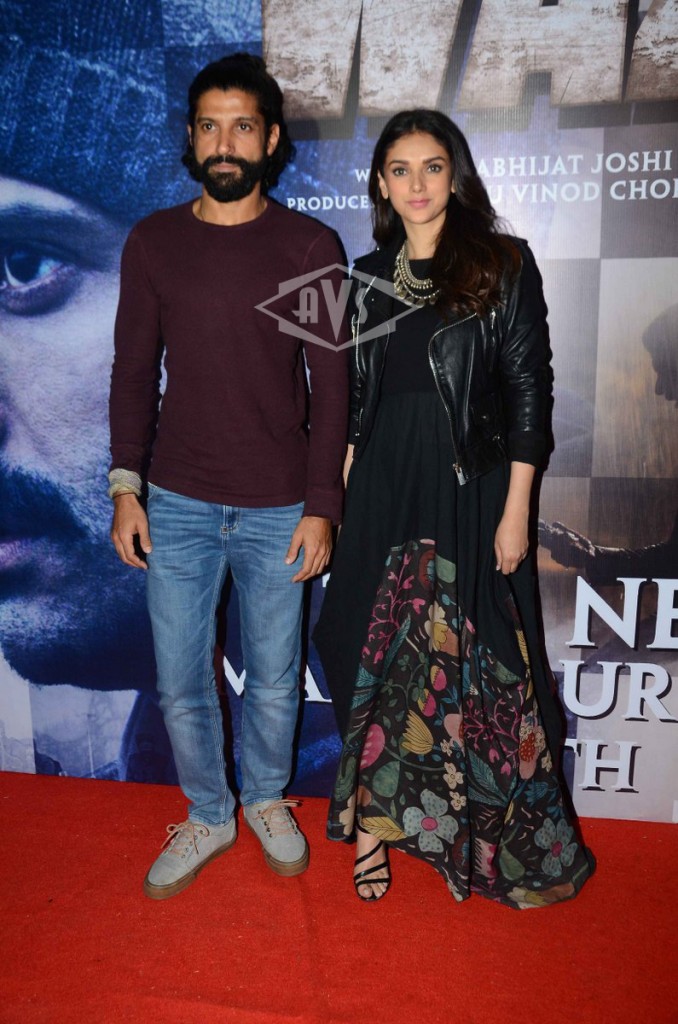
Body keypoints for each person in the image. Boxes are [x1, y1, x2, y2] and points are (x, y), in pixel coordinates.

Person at [313, 109, 594, 908]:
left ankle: (466, 835)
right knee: (360, 643)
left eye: (432, 167)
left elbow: (530, 393)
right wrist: (334, 502)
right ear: (380, 183)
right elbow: (350, 406)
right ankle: (375, 821)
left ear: (455, 175)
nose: (417, 184)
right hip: (381, 484)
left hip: (469, 485)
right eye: (400, 169)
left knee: (473, 662)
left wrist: (516, 511)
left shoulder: (503, 265)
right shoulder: (363, 279)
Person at [109, 53, 348, 899]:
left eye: (241, 125)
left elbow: (334, 388)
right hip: (174, 501)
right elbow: (132, 374)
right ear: (191, 135)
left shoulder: (310, 245)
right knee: (181, 679)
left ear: (270, 138)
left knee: (276, 679)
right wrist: (126, 488)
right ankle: (209, 814)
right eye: (209, 125)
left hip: (279, 505)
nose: (224, 142)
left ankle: (266, 800)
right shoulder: (153, 242)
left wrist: (322, 507)